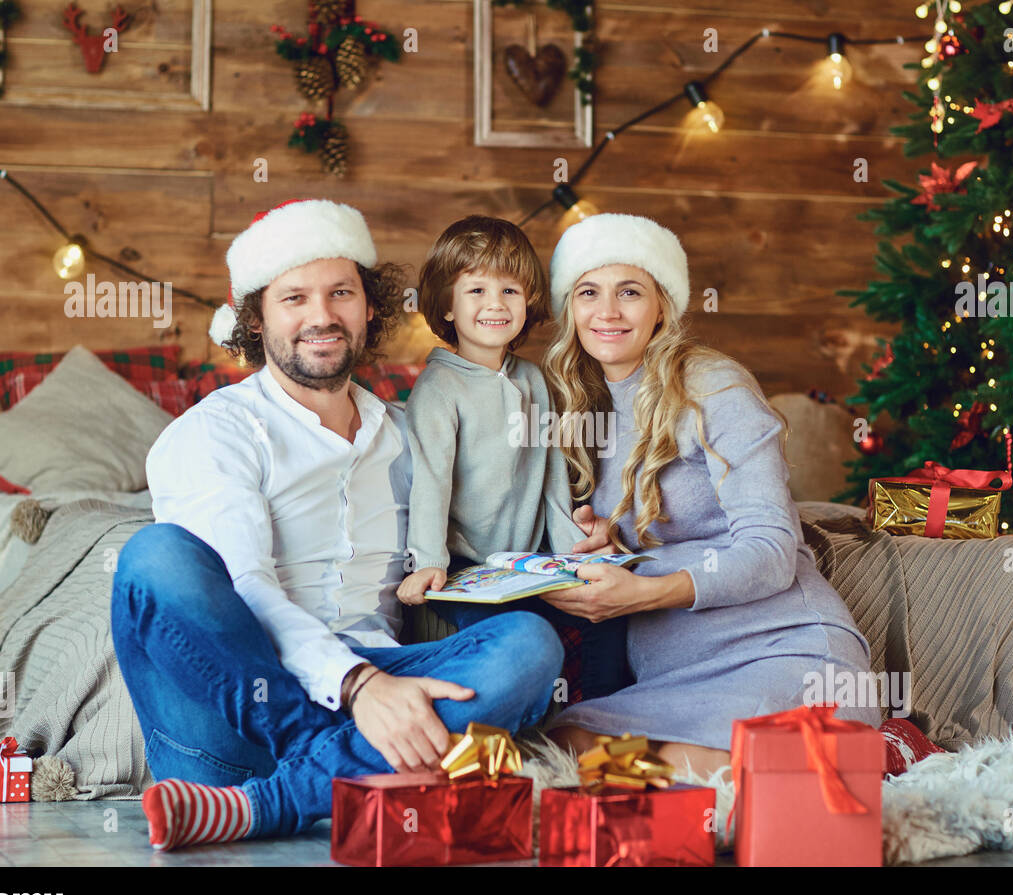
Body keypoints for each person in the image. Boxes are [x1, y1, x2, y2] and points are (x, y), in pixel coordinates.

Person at [110, 199, 566, 851]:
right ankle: (323, 766)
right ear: (256, 318)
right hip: (242, 711)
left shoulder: (409, 436)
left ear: (370, 306)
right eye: (294, 297)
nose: (321, 316)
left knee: (528, 643)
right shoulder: (216, 432)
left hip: (383, 688)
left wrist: (584, 538)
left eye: (340, 293)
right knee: (155, 558)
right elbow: (243, 584)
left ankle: (271, 803)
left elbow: (476, 547)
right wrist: (358, 687)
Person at [537, 213, 882, 777]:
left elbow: (772, 551)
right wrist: (610, 545)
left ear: (662, 306)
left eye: (630, 292)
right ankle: (780, 792)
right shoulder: (583, 405)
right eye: (588, 293)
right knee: (567, 743)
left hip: (781, 651)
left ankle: (809, 785)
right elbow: (655, 539)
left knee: (674, 773)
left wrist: (642, 593)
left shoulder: (714, 388)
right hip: (673, 678)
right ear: (569, 309)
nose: (607, 312)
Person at [396, 215, 630, 699]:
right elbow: (430, 480)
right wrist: (428, 560)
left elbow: (548, 473)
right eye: (476, 290)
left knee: (603, 616)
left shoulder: (532, 378)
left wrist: (571, 554)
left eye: (510, 290)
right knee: (512, 637)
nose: (495, 304)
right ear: (446, 306)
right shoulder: (439, 387)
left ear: (529, 302)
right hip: (464, 571)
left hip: (526, 563)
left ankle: (598, 723)